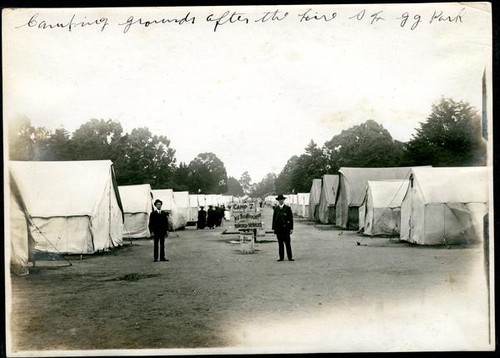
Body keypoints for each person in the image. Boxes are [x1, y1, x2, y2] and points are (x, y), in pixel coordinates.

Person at [272, 194, 294, 261]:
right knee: (280, 243)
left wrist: (291, 228)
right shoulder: (276, 209)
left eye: (281, 200)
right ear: (278, 201)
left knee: (287, 243)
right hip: (279, 229)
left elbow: (291, 219)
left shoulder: (287, 208)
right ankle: (281, 257)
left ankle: (290, 257)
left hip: (286, 228)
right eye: (279, 200)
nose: (280, 201)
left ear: (283, 200)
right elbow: (274, 219)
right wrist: (274, 228)